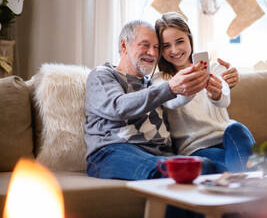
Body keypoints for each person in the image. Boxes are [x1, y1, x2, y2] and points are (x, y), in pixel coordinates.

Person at [84, 20, 219, 180]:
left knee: (205, 166)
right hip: (113, 151)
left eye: (156, 48)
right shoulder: (103, 74)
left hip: (159, 154)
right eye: (145, 45)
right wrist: (170, 88)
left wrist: (217, 86)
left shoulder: (154, 83)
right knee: (167, 171)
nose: (152, 53)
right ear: (124, 45)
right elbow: (118, 107)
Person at [153, 12, 255, 172]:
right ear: (160, 49)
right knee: (239, 167)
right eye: (166, 46)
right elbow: (173, 101)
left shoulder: (212, 68)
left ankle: (243, 183)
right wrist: (190, 85)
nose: (174, 50)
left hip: (227, 137)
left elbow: (224, 98)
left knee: (237, 128)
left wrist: (217, 94)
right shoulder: (160, 80)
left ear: (189, 39)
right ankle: (251, 184)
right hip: (196, 148)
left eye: (180, 41)